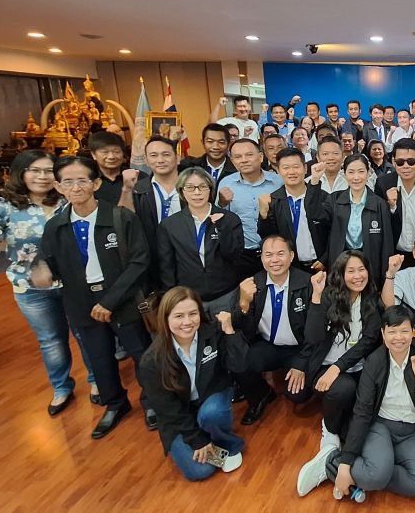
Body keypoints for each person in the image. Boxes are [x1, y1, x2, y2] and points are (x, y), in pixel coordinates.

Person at [0, 150, 96, 415]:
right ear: (21, 173)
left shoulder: (68, 199)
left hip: (74, 282)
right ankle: (61, 388)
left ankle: (96, 380)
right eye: (35, 170)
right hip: (31, 288)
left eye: (48, 171)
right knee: (51, 340)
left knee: (86, 333)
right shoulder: (5, 206)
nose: (42, 176)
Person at [34, 156, 156, 438]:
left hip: (122, 300)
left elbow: (139, 262)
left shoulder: (120, 218)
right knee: (99, 358)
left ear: (96, 183)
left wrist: (109, 301)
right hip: (81, 304)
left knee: (142, 354)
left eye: (82, 180)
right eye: (68, 182)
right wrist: (41, 271)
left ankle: (152, 401)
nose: (75, 187)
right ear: (58, 186)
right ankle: (115, 404)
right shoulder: (55, 226)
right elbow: (49, 263)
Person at [298, 307, 415, 500]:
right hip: (381, 426)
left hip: (411, 431)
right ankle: (335, 462)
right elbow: (362, 410)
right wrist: (346, 463)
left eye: (404, 331)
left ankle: (366, 471)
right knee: (376, 475)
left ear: (414, 332)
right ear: (383, 333)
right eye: (392, 331)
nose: (398, 337)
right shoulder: (375, 361)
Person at [138, 287, 249, 480]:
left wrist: (230, 332)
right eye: (179, 316)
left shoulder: (213, 332)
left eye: (193, 314)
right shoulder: (151, 361)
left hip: (210, 399)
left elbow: (239, 365)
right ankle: (211, 445)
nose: (187, 322)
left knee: (212, 413)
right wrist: (197, 441)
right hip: (179, 415)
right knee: (200, 471)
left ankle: (228, 443)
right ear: (165, 318)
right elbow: (167, 410)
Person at [292, 251, 385, 481]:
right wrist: (316, 295)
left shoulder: (372, 300)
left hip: (355, 368)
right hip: (325, 366)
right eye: (350, 271)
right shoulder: (328, 296)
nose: (357, 276)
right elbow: (313, 336)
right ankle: (329, 430)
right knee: (344, 390)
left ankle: (334, 463)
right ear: (340, 275)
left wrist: (338, 367)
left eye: (361, 270)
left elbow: (368, 342)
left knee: (359, 418)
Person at [229, 235, 315, 425]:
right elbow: (241, 330)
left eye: (280, 254)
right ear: (261, 258)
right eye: (268, 255)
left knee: (298, 395)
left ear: (291, 256)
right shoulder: (252, 284)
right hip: (269, 345)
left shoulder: (308, 283)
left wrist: (301, 364)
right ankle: (262, 395)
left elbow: (316, 331)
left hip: (300, 349)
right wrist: (244, 304)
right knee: (238, 361)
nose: (274, 260)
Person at [157, 167, 244, 312]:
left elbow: (234, 255)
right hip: (189, 297)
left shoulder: (229, 219)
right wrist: (171, 297)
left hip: (225, 294)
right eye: (190, 188)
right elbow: (167, 266)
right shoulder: (170, 225)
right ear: (182, 191)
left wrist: (222, 228)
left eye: (202, 187)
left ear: (210, 190)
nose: (197, 192)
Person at [217, 138, 283, 277]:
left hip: (276, 253)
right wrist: (222, 203)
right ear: (232, 161)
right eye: (238, 157)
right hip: (242, 254)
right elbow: (220, 220)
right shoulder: (226, 183)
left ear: (261, 156)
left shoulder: (278, 182)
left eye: (249, 155)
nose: (244, 160)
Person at [258, 148, 331, 273]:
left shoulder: (323, 197)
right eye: (286, 168)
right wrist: (263, 215)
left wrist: (325, 258)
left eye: (296, 167)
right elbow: (268, 237)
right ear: (278, 171)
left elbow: (333, 231)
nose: (291, 172)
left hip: (322, 265)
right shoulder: (273, 201)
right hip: (290, 267)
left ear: (305, 168)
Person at [326, 154, 395, 285]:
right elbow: (318, 218)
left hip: (370, 264)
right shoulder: (335, 200)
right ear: (344, 174)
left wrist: (385, 278)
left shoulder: (380, 204)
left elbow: (387, 244)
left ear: (368, 173)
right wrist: (314, 182)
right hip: (342, 263)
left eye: (361, 171)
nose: (356, 177)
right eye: (351, 172)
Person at [376, 138, 415, 266]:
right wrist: (391, 207)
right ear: (393, 162)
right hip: (394, 254)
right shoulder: (383, 184)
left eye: (411, 162)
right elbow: (378, 223)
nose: (406, 166)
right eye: (400, 162)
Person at [131, 135, 182, 293]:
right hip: (153, 261)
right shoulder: (138, 190)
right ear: (146, 160)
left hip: (186, 258)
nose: (160, 160)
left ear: (177, 158)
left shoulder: (192, 186)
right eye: (153, 155)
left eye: (166, 154)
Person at [87, 131, 136, 206]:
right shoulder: (88, 180)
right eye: (105, 152)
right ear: (93, 155)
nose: (111, 157)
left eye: (116, 152)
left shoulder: (137, 176)